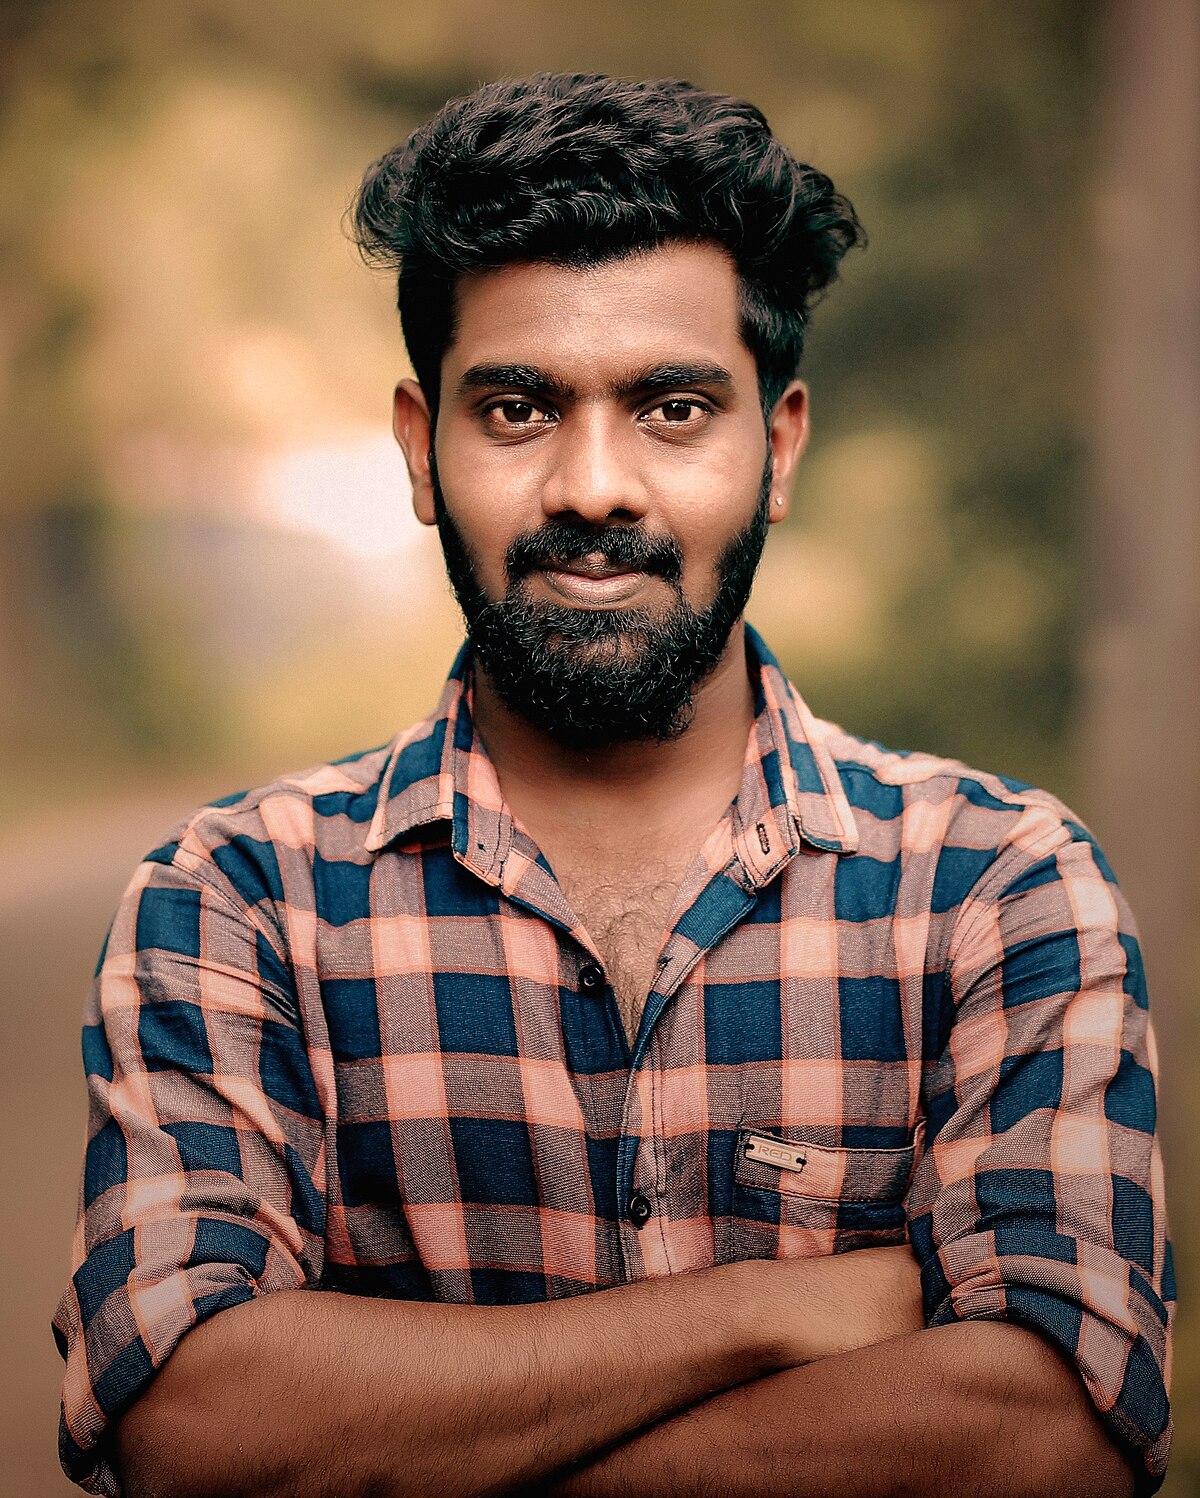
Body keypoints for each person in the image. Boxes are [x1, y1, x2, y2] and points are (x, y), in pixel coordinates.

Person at [55, 73, 1173, 1498]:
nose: (594, 484)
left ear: (776, 448)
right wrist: (766, 1308)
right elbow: (189, 1421)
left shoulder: (999, 884)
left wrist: (409, 1439)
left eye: (673, 406)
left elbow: (1054, 1430)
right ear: (421, 447)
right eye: (519, 407)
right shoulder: (235, 900)